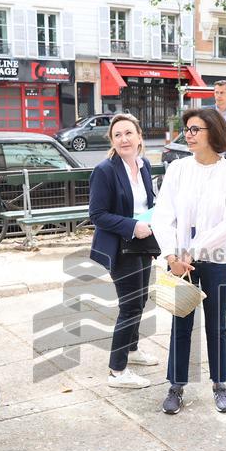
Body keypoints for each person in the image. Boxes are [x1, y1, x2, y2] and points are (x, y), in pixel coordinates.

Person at [152, 108, 226, 414]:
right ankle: (176, 386)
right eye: (187, 129)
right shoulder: (178, 169)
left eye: (194, 129)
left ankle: (220, 384)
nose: (188, 135)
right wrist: (171, 255)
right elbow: (162, 215)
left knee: (217, 325)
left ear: (213, 133)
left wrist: (195, 249)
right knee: (181, 323)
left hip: (217, 258)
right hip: (178, 261)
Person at [88, 113, 159, 389]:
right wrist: (133, 226)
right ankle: (117, 372)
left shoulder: (143, 165)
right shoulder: (105, 170)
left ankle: (132, 350)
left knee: (140, 302)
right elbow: (97, 215)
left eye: (129, 133)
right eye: (117, 135)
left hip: (143, 243)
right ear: (112, 141)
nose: (124, 139)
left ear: (139, 137)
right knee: (129, 306)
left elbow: (146, 202)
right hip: (121, 246)